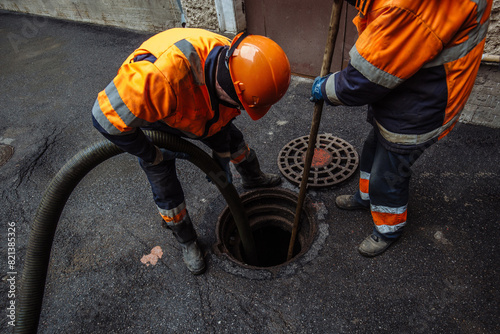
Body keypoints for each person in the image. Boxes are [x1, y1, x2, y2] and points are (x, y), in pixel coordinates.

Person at [92, 28, 291, 274]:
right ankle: (187, 240)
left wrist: (221, 160)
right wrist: (152, 153)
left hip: (203, 109)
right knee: (165, 186)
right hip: (161, 118)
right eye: (243, 104)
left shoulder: (240, 62)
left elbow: (224, 121)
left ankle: (253, 178)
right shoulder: (157, 77)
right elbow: (103, 118)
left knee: (234, 144)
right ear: (230, 87)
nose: (243, 109)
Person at [311, 0, 493, 257]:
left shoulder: (410, 6)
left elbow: (363, 79)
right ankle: (365, 197)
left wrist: (327, 88)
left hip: (423, 101)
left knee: (389, 173)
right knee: (372, 147)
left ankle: (388, 229)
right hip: (406, 87)